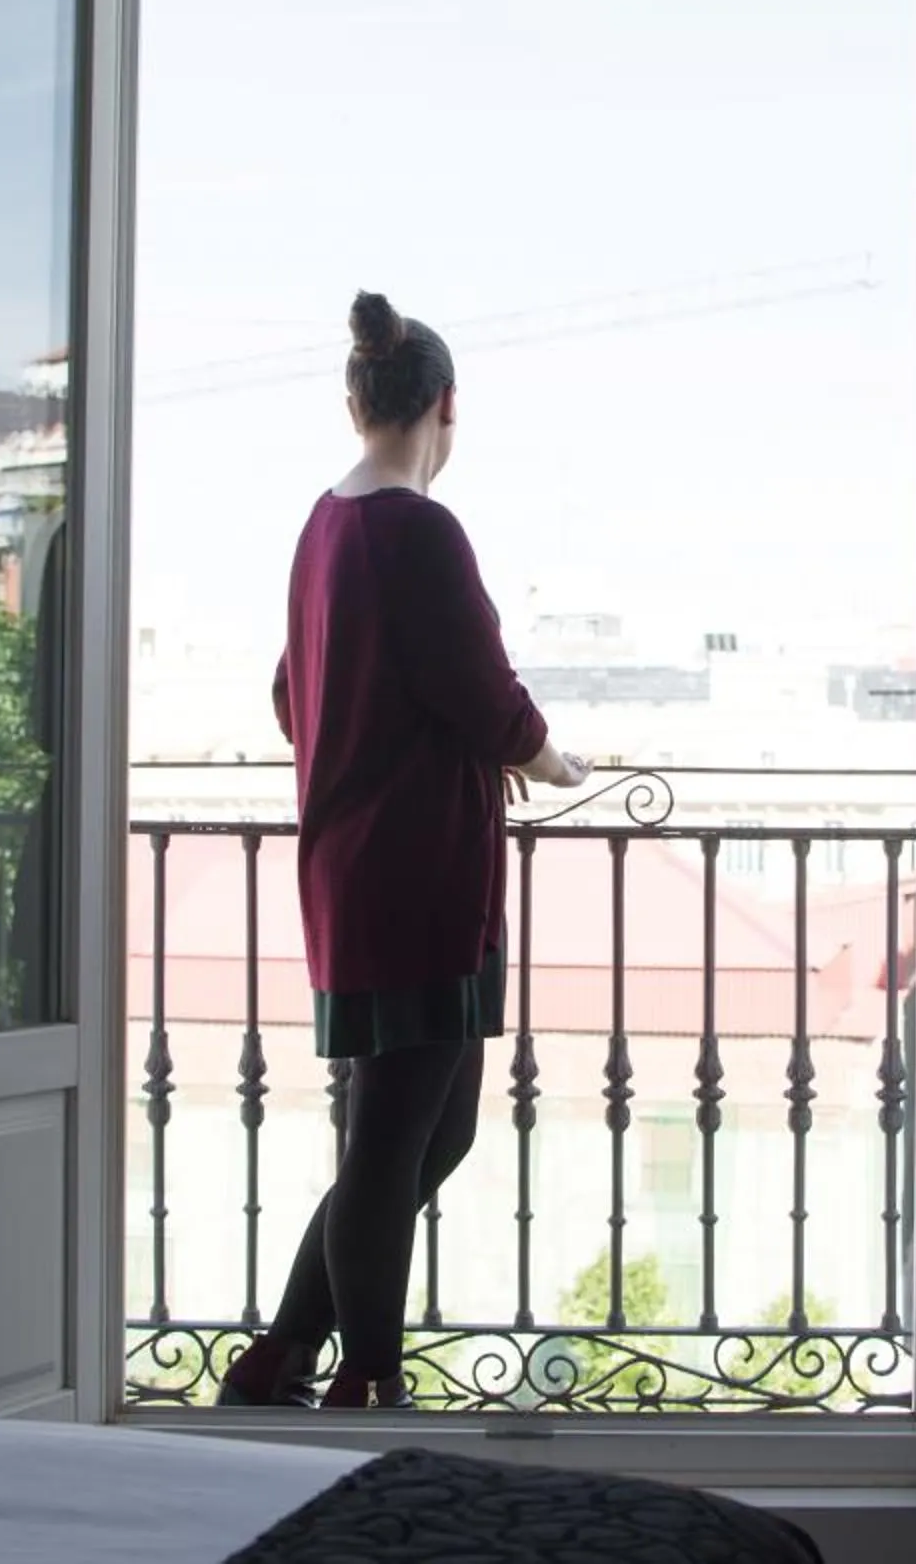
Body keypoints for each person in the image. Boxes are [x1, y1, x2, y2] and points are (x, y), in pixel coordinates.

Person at [218, 291, 589, 1412]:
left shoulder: (324, 525)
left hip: (360, 877)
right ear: (446, 408)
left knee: (432, 1132)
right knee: (394, 1146)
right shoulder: (417, 530)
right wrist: (550, 762)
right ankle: (367, 1383)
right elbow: (484, 693)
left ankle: (284, 1351)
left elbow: (293, 695)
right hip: (419, 881)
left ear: (355, 403)